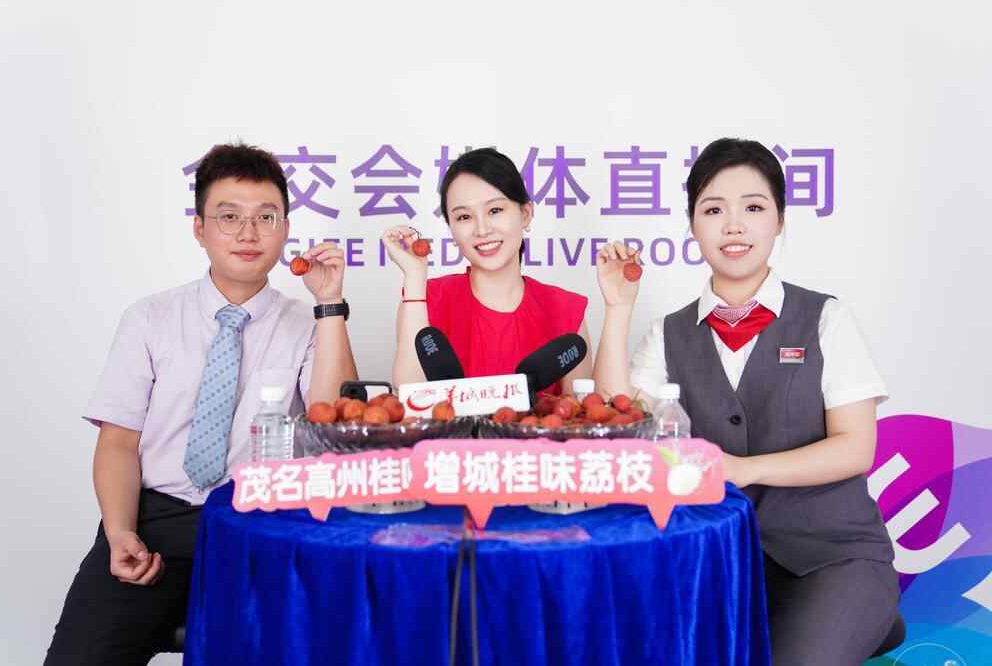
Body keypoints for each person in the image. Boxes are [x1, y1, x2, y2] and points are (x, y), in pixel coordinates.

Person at [45, 142, 358, 665]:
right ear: (199, 228)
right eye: (229, 217)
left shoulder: (307, 324)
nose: (248, 233)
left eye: (265, 217)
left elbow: (332, 421)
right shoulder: (150, 318)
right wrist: (120, 532)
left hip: (259, 526)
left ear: (285, 228)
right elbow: (118, 442)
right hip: (154, 524)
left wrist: (329, 305)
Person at [593, 138, 899, 665]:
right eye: (714, 210)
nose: (733, 226)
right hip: (717, 565)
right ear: (692, 225)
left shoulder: (825, 318)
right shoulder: (669, 334)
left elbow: (855, 448)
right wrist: (618, 309)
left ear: (779, 220)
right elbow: (617, 417)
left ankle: (859, 616)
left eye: (753, 208)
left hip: (833, 558)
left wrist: (742, 468)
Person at [383, 147, 592, 394]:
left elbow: (580, 412)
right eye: (464, 217)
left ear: (525, 214)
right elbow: (410, 398)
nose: (482, 230)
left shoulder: (564, 310)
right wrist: (414, 276)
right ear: (451, 229)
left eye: (495, 211)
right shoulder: (425, 299)